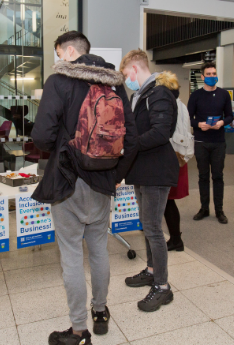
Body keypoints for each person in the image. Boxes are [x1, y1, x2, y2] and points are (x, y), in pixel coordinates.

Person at [31, 31, 138, 345]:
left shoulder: (59, 81)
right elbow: (131, 139)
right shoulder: (114, 83)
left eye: (58, 53)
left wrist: (65, 148)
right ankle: (101, 311)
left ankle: (79, 330)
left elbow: (40, 136)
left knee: (71, 256)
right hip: (103, 181)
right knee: (99, 251)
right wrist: (116, 173)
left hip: (67, 181)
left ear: (68, 52)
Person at [120, 49, 179, 312]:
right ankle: (152, 270)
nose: (126, 80)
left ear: (134, 68)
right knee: (147, 225)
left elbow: (160, 132)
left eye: (125, 75)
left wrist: (127, 147)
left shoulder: (159, 93)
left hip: (156, 169)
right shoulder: (139, 94)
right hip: (142, 169)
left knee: (154, 228)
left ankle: (163, 287)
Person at [189, 62, 233, 224]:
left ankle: (219, 210)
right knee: (202, 176)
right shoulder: (196, 96)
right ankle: (204, 208)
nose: (212, 76)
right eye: (208, 74)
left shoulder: (223, 94)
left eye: (214, 73)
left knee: (218, 176)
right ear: (202, 77)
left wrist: (222, 123)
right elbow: (188, 117)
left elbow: (229, 115)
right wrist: (199, 125)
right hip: (201, 141)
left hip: (218, 142)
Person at [165, 74, 191, 252]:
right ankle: (175, 238)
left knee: (167, 201)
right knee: (166, 202)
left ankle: (175, 239)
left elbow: (179, 137)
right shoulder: (178, 105)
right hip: (175, 158)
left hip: (173, 159)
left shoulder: (175, 107)